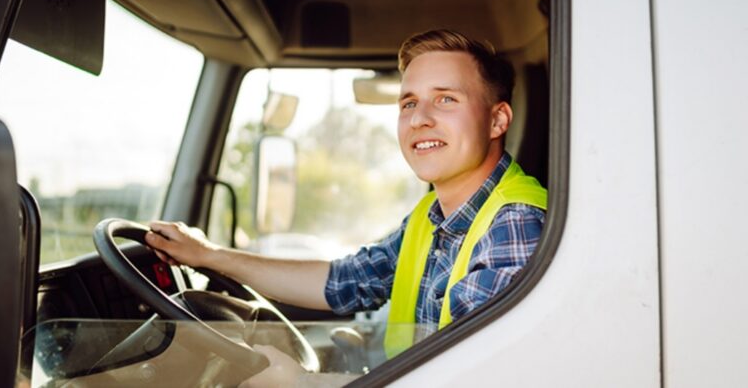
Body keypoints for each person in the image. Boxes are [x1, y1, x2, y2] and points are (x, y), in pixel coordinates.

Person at [145, 29, 547, 384]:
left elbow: (476, 379)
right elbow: (344, 282)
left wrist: (301, 384)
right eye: (408, 103)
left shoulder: (512, 225)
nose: (419, 119)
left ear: (497, 121)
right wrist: (209, 255)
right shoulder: (432, 217)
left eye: (445, 99)